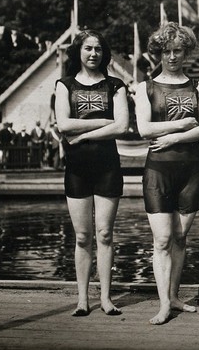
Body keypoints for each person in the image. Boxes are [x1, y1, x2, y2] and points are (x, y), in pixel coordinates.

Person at [133, 22, 199, 325]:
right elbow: (144, 129)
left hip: (191, 168)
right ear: (158, 52)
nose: (172, 56)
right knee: (163, 239)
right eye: (166, 51)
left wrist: (173, 138)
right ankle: (164, 303)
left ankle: (175, 296)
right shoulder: (146, 87)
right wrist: (181, 125)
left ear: (186, 52)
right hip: (158, 169)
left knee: (180, 237)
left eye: (177, 50)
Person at [54, 30, 129, 317]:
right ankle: (83, 299)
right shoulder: (66, 85)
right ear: (79, 52)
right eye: (88, 48)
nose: (93, 54)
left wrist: (82, 133)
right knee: (83, 236)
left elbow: (121, 126)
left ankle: (107, 298)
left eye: (98, 49)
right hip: (77, 168)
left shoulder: (115, 85)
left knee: (105, 234)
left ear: (104, 53)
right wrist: (103, 123)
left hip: (107, 166)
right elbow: (63, 124)